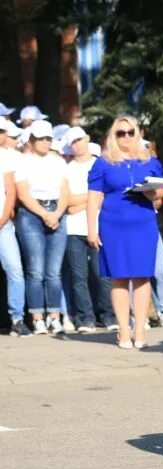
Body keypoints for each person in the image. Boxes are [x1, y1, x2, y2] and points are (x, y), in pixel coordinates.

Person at [87, 116, 163, 349]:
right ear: (114, 135)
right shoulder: (103, 163)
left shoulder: (149, 160)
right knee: (119, 277)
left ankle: (140, 328)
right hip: (113, 224)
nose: (126, 137)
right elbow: (93, 198)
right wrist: (91, 229)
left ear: (137, 133)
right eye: (121, 133)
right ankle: (123, 329)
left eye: (130, 132)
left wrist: (151, 193)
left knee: (142, 275)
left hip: (142, 222)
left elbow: (159, 196)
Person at [14, 120, 69, 335]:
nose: (45, 143)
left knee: (54, 272)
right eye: (41, 139)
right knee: (35, 270)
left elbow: (65, 190)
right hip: (32, 214)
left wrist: (56, 213)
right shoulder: (23, 162)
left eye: (48, 139)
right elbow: (23, 192)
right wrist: (44, 214)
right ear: (32, 140)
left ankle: (54, 316)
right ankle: (37, 317)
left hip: (56, 211)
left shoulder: (58, 162)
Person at [62, 126, 116, 333]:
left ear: (87, 139)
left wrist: (83, 202)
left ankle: (108, 315)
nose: (78, 145)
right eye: (73, 142)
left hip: (98, 225)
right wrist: (92, 198)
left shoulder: (100, 164)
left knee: (102, 274)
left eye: (80, 140)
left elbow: (106, 194)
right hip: (74, 228)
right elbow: (68, 202)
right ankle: (86, 318)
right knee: (79, 276)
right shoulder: (67, 169)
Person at [0, 117, 29, 336]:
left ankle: (17, 318)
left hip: (3, 226)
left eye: (2, 131)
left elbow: (11, 192)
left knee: (15, 271)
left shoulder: (6, 158)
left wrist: (2, 219)